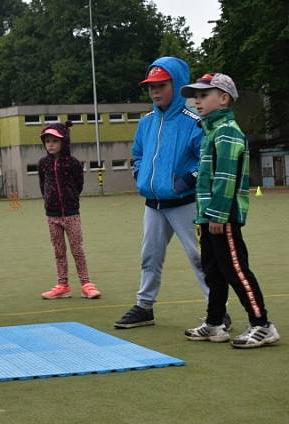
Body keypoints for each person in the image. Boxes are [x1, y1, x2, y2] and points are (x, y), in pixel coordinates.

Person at [113, 57, 224, 330]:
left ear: (176, 84)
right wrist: (140, 174)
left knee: (200, 257)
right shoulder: (146, 122)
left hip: (185, 203)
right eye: (151, 86)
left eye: (161, 85)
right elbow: (137, 154)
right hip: (153, 204)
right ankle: (144, 307)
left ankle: (217, 311)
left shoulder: (194, 122)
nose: (155, 91)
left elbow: (207, 160)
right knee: (149, 256)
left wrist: (187, 181)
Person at [180, 73, 280, 348]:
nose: (197, 101)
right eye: (195, 96)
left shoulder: (227, 132)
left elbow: (226, 176)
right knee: (212, 271)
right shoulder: (210, 131)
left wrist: (218, 214)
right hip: (208, 216)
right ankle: (215, 323)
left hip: (222, 216)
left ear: (224, 99)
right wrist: (206, 215)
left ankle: (262, 324)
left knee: (235, 269)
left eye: (204, 95)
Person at [37, 122, 101, 300]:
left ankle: (86, 284)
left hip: (71, 214)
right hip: (52, 215)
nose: (50, 144)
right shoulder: (43, 164)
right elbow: (43, 185)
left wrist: (71, 198)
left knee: (77, 249)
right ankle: (62, 285)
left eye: (55, 141)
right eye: (47, 141)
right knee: (59, 251)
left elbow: (78, 184)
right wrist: (50, 202)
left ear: (64, 142)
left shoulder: (72, 163)